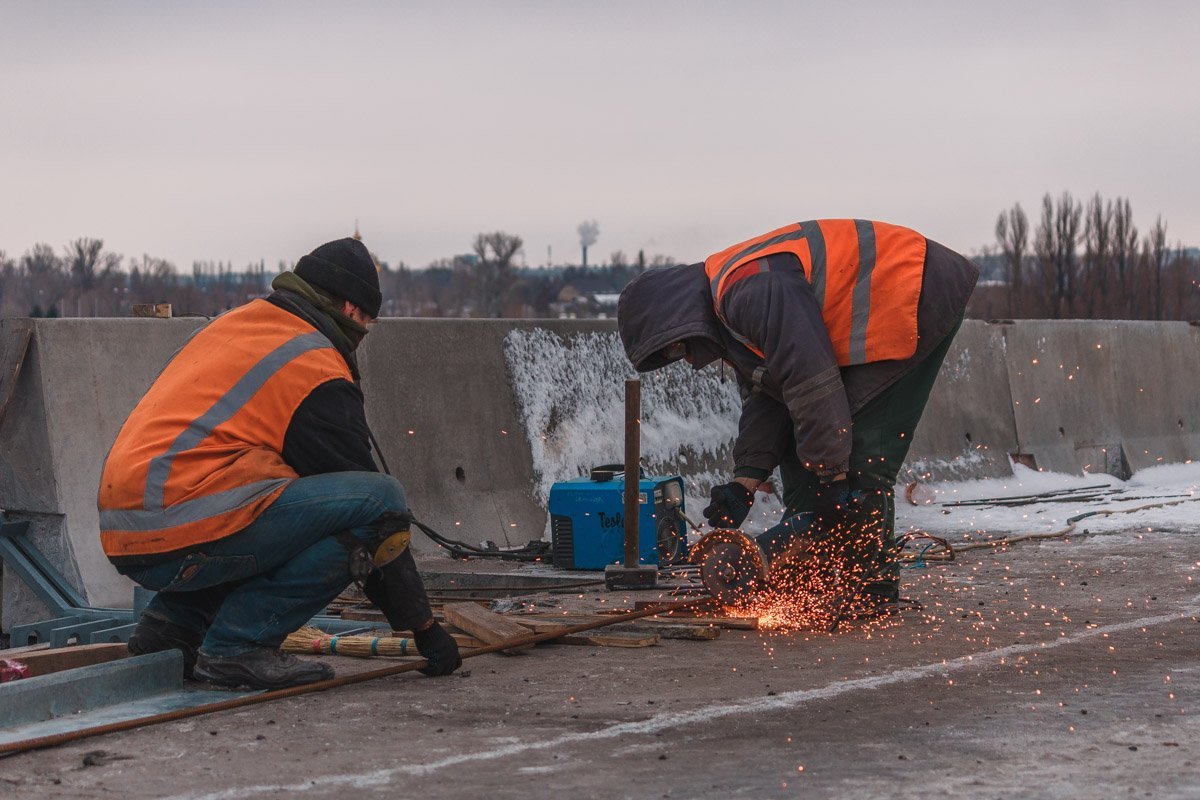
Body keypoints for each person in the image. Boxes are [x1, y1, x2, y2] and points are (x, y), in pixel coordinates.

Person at [98, 237, 461, 688]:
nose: (365, 331)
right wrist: (424, 628)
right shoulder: (313, 365)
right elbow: (374, 512)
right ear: (350, 310)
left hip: (128, 527)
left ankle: (171, 630)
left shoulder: (240, 323)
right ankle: (239, 645)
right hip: (181, 520)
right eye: (367, 319)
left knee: (270, 505)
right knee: (380, 499)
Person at [617, 218, 978, 613]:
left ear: (677, 321)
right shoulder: (728, 316)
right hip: (888, 300)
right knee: (810, 459)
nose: (686, 360)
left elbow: (810, 381)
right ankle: (808, 576)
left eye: (676, 351)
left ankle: (870, 590)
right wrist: (745, 481)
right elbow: (771, 393)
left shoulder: (748, 291)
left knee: (858, 461)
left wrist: (832, 477)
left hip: (911, 292)